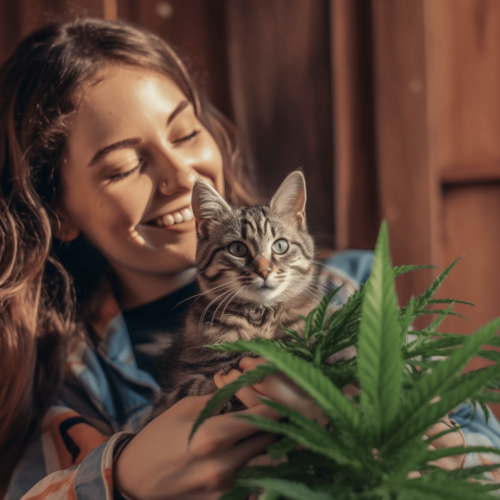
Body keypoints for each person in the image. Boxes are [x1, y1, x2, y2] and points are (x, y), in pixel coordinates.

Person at [0, 18, 498, 500]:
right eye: (125, 166)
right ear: (55, 209)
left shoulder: (351, 285)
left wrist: (423, 439)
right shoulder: (61, 378)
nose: (182, 176)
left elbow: (488, 455)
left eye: (185, 134)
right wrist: (122, 478)